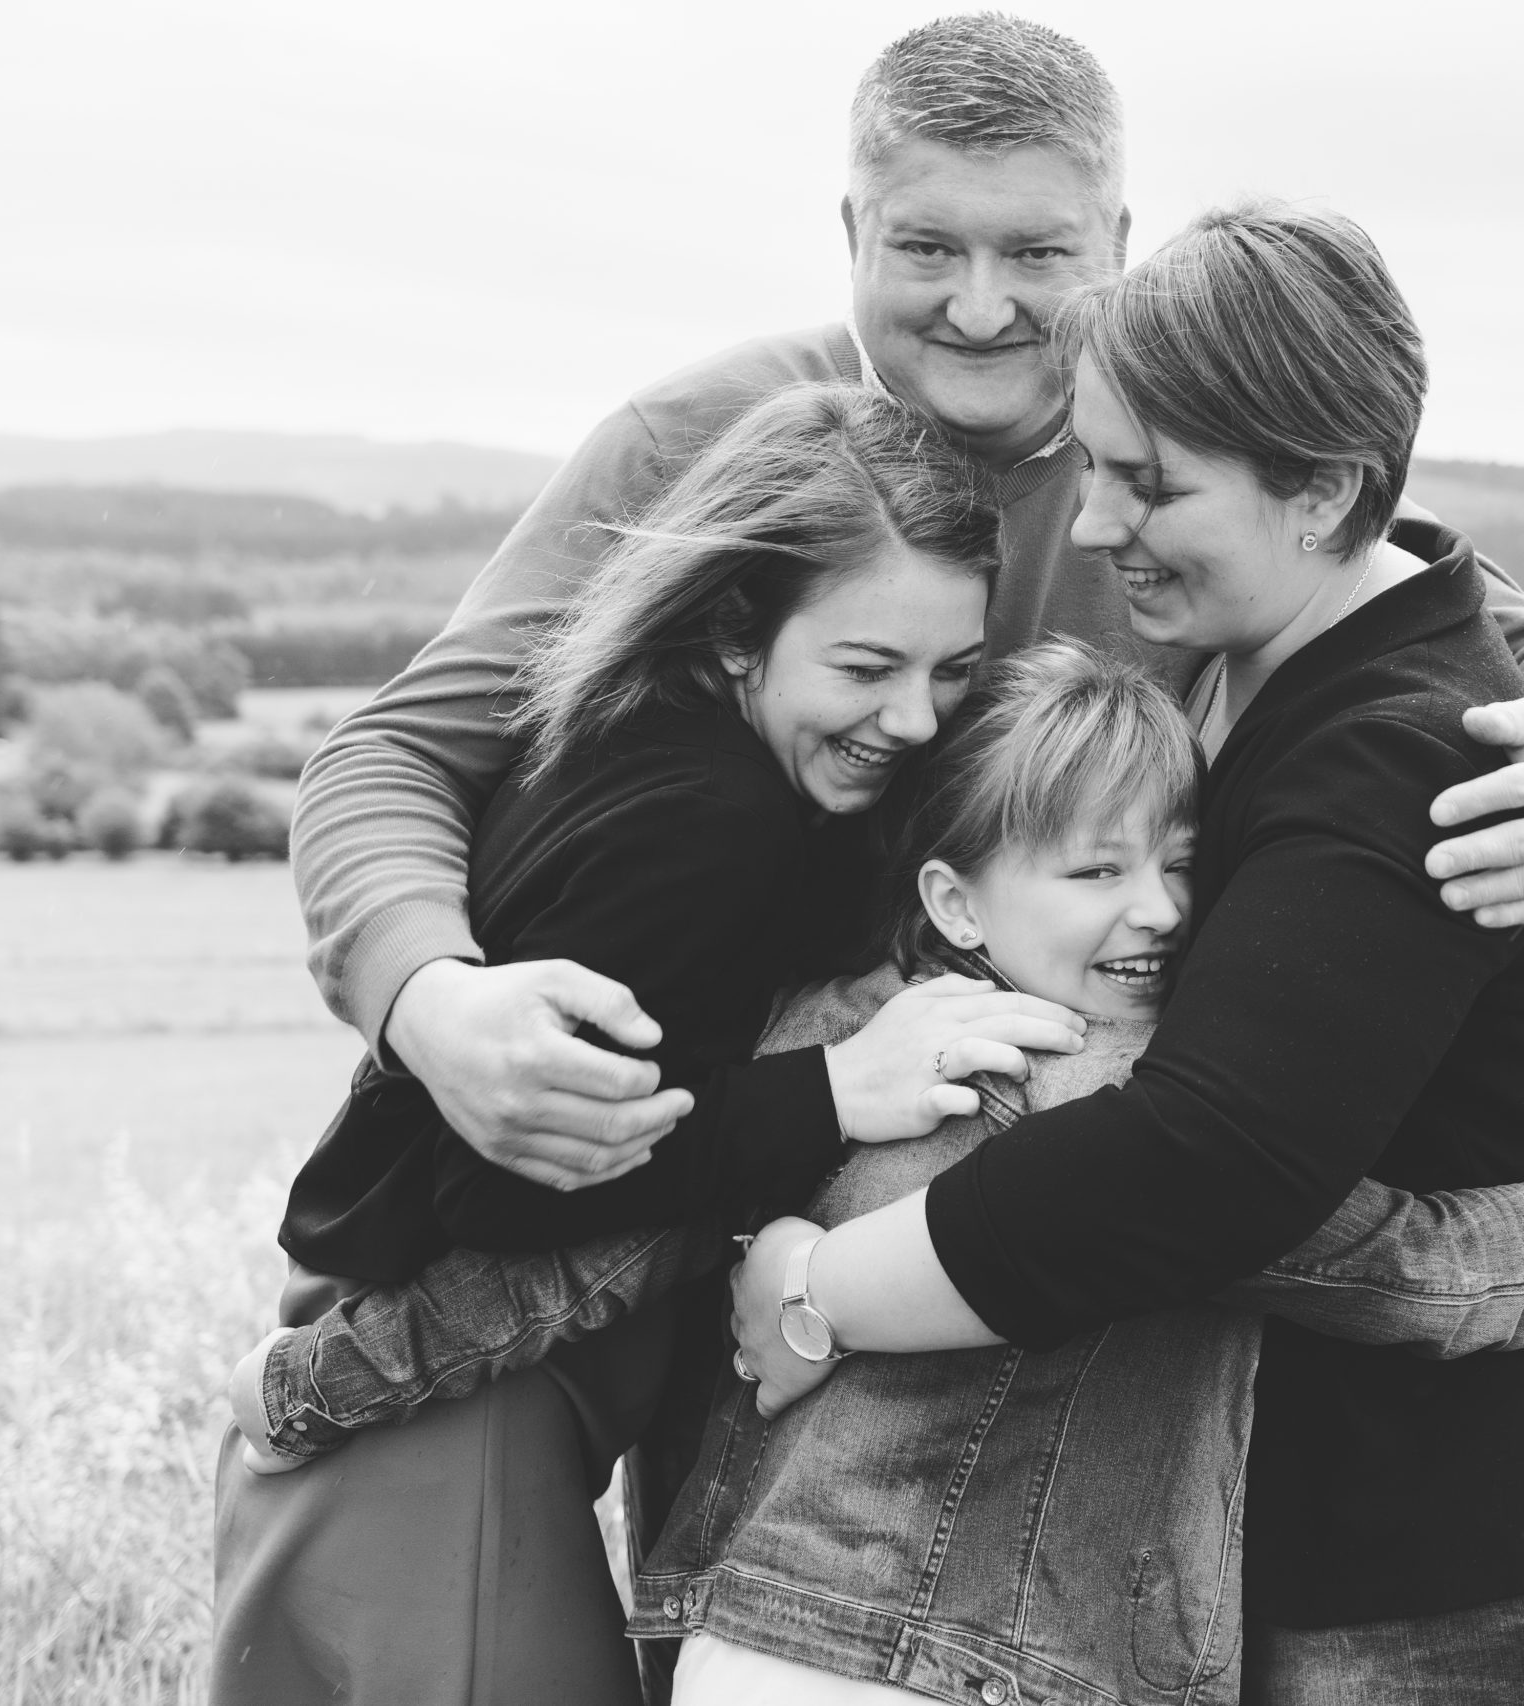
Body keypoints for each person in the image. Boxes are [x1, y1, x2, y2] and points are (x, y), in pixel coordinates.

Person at [288, 15, 1524, 1214]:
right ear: (851, 232)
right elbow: (397, 752)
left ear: (1119, 243)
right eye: (927, 247)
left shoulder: (1175, 448)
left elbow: (1478, 624)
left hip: (1082, 1147)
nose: (980, 307)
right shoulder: (705, 442)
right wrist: (431, 1001)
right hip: (724, 1131)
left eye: (1037, 253)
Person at [227, 640, 1524, 1706]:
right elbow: (1390, 1266)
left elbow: (608, 1248)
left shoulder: (824, 1050)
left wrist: (326, 1380)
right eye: (1096, 868)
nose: (1166, 909)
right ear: (954, 893)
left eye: (1186, 862)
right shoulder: (1123, 1106)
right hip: (973, 1663)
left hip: (751, 1644)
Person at [726, 205, 1524, 1705]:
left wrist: (819, 1288)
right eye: (1095, 468)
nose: (1100, 523)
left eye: (1150, 485)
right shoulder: (1253, 656)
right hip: (1332, 1530)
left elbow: (1205, 1160)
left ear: (1321, 490)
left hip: (1465, 1553)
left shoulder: (1402, 752)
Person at [211, 382, 1090, 1706]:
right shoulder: (705, 818)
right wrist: (836, 1092)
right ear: (741, 631)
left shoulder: (651, 735)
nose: (913, 718)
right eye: (865, 667)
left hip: (457, 1417)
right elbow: (505, 1183)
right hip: (441, 1428)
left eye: (950, 674)